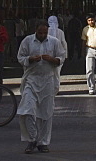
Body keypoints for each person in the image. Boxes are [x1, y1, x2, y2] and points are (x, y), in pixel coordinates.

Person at [17, 23, 65, 154]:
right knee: (28, 109)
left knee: (46, 113)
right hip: (31, 79)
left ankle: (43, 142)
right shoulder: (27, 41)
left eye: (44, 33)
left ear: (48, 31)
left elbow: (61, 57)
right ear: (35, 31)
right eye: (40, 33)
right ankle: (32, 138)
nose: (42, 35)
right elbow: (20, 57)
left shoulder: (54, 42)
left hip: (48, 80)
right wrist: (30, 59)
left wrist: (53, 60)